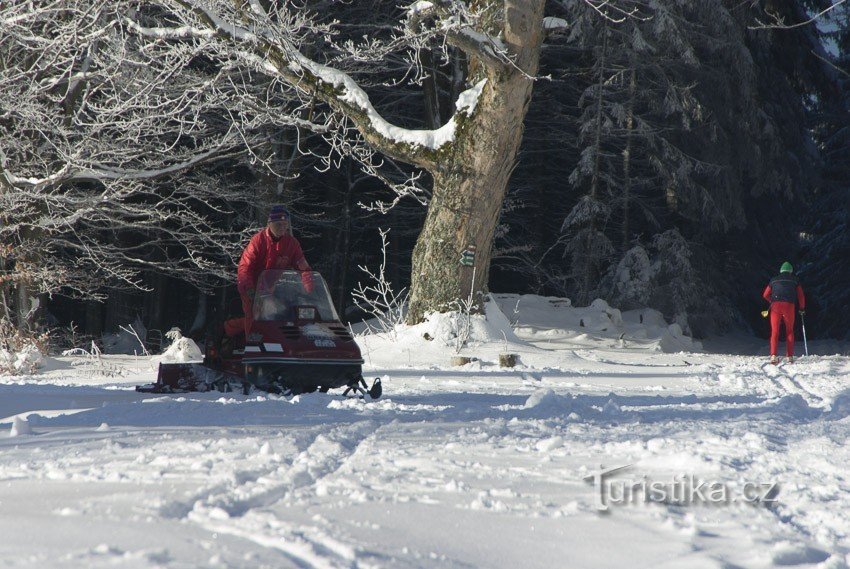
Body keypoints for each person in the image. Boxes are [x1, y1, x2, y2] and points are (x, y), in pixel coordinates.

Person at [224, 205, 314, 337]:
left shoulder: (292, 243)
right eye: (278, 224)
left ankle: (280, 345)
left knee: (282, 313)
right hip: (252, 288)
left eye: (285, 224)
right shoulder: (258, 241)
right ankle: (252, 345)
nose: (282, 227)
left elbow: (303, 268)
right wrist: (249, 289)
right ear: (270, 224)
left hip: (271, 288)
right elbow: (245, 267)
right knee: (254, 315)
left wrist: (310, 289)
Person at [761, 261, 806, 364]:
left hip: (775, 307)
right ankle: (789, 356)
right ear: (790, 271)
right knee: (789, 331)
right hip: (789, 306)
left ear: (781, 271)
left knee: (775, 331)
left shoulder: (773, 280)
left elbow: (765, 294)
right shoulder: (795, 280)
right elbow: (801, 296)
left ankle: (773, 356)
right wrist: (802, 308)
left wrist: (771, 301)